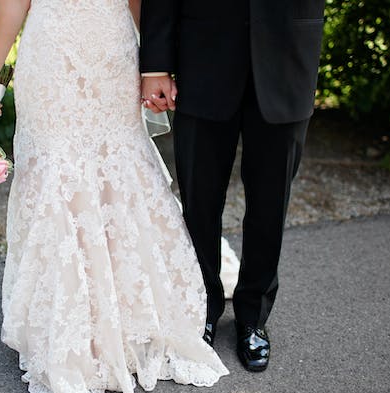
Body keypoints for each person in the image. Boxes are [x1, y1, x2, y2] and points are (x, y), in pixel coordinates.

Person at [0, 1, 228, 393]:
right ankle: (71, 318)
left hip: (111, 50)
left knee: (116, 163)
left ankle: (126, 311)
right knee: (56, 170)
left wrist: (157, 65)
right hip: (51, 51)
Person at [140, 0, 326, 372]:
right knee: (199, 201)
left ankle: (254, 316)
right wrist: (157, 64)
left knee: (270, 205)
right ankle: (201, 306)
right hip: (203, 55)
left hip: (288, 54)